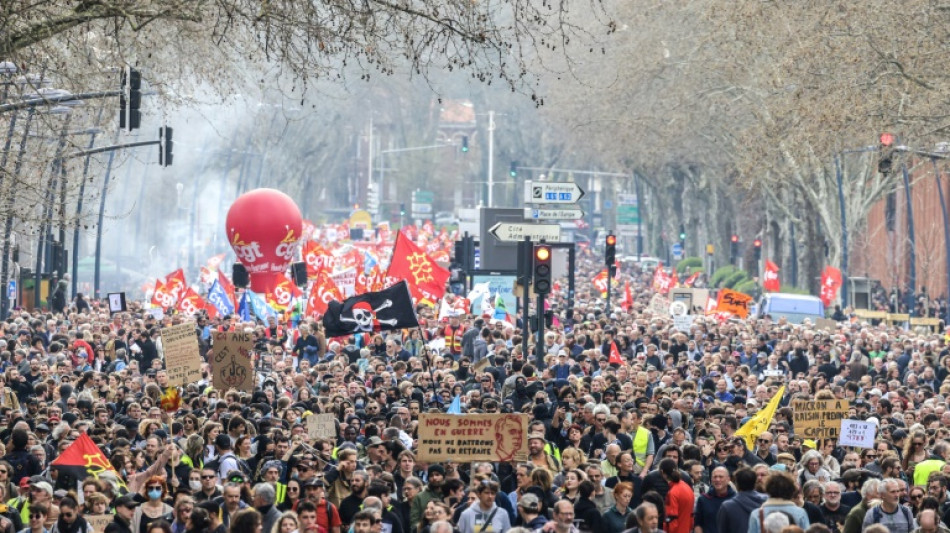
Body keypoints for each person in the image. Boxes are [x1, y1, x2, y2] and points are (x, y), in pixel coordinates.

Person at [660, 459, 692, 533]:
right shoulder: (687, 487)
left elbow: (671, 519)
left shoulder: (672, 493)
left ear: (662, 472)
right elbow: (691, 516)